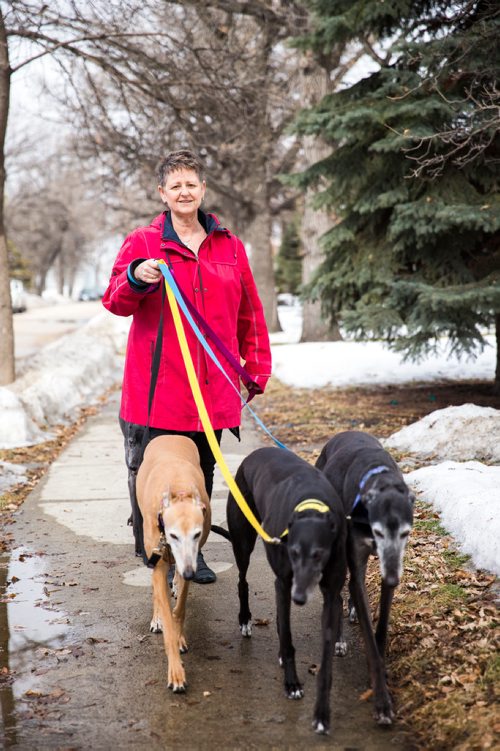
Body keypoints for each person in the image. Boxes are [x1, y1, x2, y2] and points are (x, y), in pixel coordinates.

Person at [102, 149, 271, 583]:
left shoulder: (229, 245)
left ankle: (194, 550)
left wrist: (256, 368)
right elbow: (115, 300)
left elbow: (250, 312)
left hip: (211, 388)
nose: (183, 191)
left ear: (203, 189)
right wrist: (137, 277)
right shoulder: (143, 242)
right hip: (157, 389)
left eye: (190, 184)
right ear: (162, 193)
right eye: (174, 185)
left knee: (201, 472)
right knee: (152, 475)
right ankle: (154, 546)